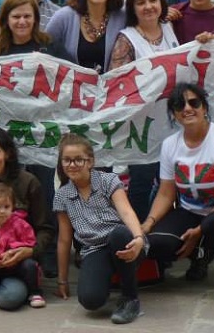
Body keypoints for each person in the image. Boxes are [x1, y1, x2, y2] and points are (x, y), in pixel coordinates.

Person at [141, 83, 214, 304]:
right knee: (156, 243)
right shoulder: (170, 145)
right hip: (191, 212)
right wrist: (147, 224)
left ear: (205, 107)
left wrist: (199, 231)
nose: (187, 108)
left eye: (193, 102)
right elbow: (166, 193)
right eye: (179, 105)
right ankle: (201, 256)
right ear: (174, 115)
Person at [0, 0, 71, 277]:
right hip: (8, 134)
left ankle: (44, 250)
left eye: (27, 16)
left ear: (36, 19)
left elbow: (76, 78)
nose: (22, 21)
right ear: (5, 19)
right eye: (16, 16)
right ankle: (10, 243)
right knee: (12, 189)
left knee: (44, 190)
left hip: (44, 135)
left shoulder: (51, 47)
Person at [53, 133, 146, 325]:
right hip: (95, 249)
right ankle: (110, 274)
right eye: (67, 160)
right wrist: (62, 280)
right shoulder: (62, 195)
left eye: (78, 159)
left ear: (90, 161)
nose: (72, 165)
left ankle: (130, 298)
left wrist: (138, 238)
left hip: (125, 240)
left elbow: (127, 212)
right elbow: (64, 239)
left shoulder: (108, 181)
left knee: (119, 234)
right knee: (90, 300)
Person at [109, 0, 179, 220]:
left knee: (169, 183)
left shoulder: (170, 29)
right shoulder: (127, 39)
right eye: (140, 2)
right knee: (141, 182)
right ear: (132, 9)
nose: (148, 6)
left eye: (152, 0)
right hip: (142, 128)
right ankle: (139, 236)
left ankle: (162, 235)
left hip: (171, 124)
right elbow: (116, 83)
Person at [0, 127, 54, 310]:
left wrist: (29, 251)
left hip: (19, 262)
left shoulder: (28, 182)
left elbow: (45, 228)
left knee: (10, 297)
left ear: (8, 153)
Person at [0, 183, 45, 311]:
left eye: (6, 207)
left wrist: (14, 251)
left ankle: (35, 293)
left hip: (16, 263)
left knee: (30, 264)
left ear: (13, 207)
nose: (2, 211)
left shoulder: (20, 224)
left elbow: (30, 241)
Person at [46, 0, 126, 72]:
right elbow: (44, 48)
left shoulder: (123, 17)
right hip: (71, 87)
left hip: (111, 88)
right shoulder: (64, 17)